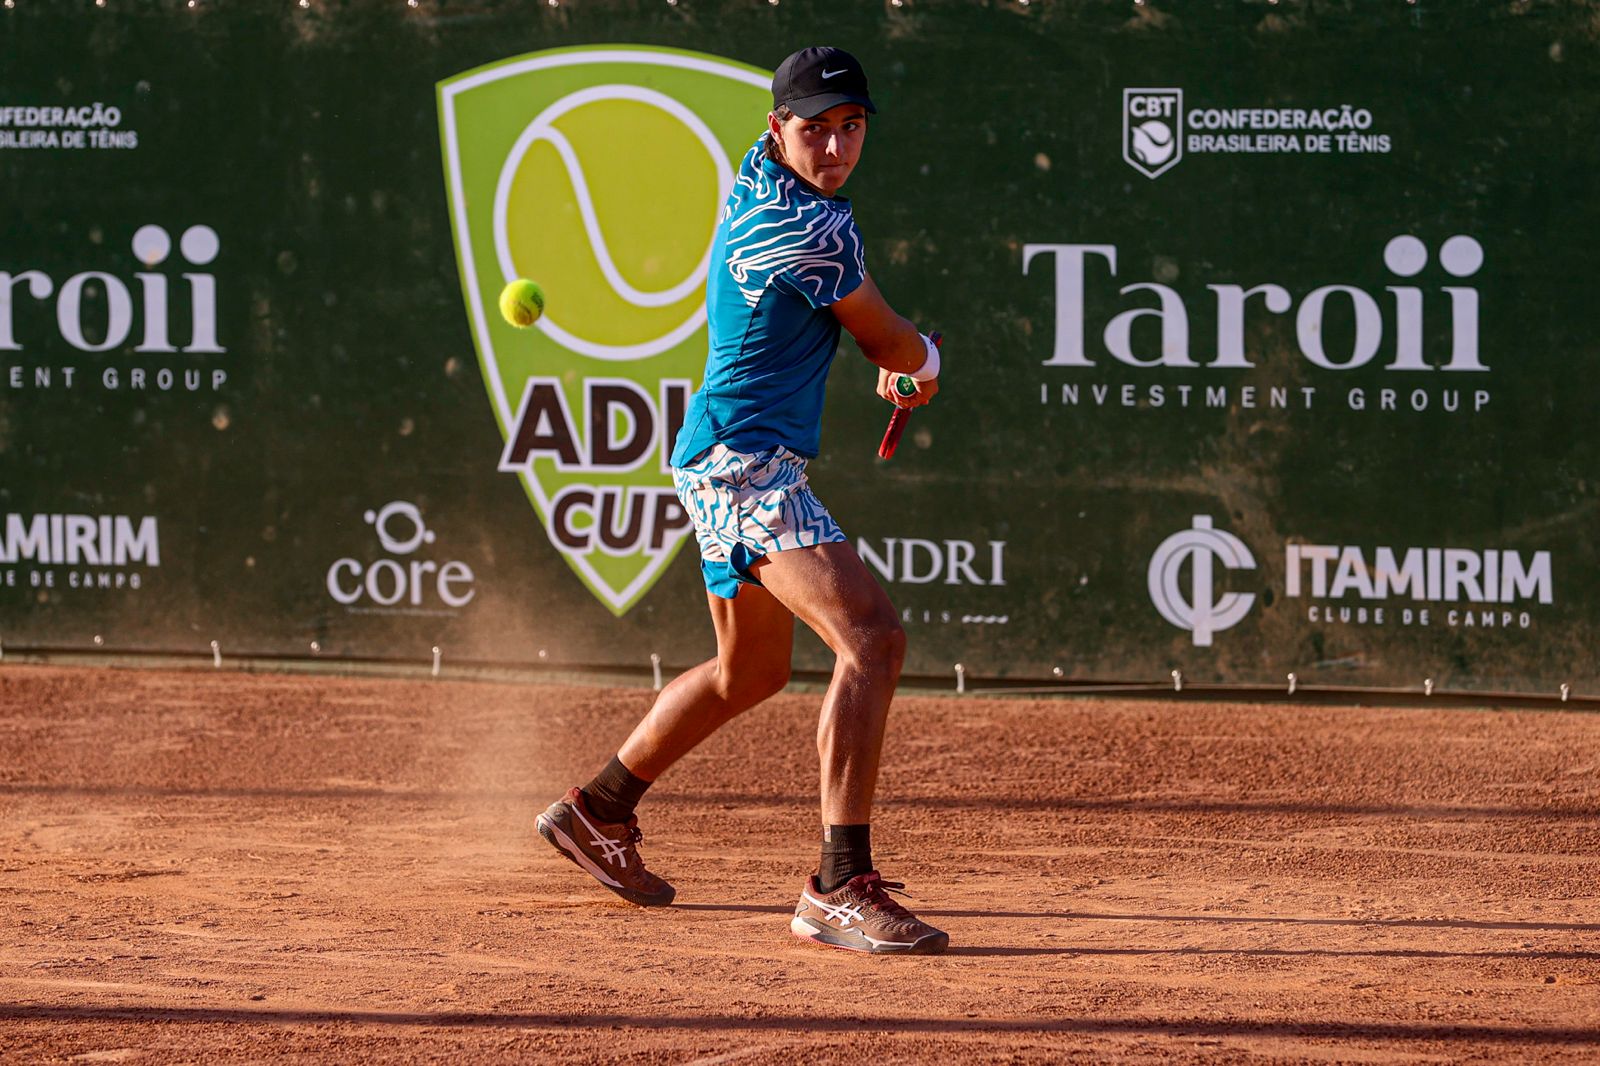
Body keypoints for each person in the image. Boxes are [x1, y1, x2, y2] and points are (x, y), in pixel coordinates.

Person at [535, 45, 947, 955]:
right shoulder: (818, 230)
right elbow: (886, 339)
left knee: (751, 673)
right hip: (744, 467)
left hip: (723, 458)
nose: (835, 148)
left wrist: (894, 358)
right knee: (872, 638)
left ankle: (598, 809)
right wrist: (921, 367)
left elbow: (851, 324)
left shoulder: (753, 180)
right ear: (776, 129)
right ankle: (839, 885)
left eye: (852, 128)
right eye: (814, 129)